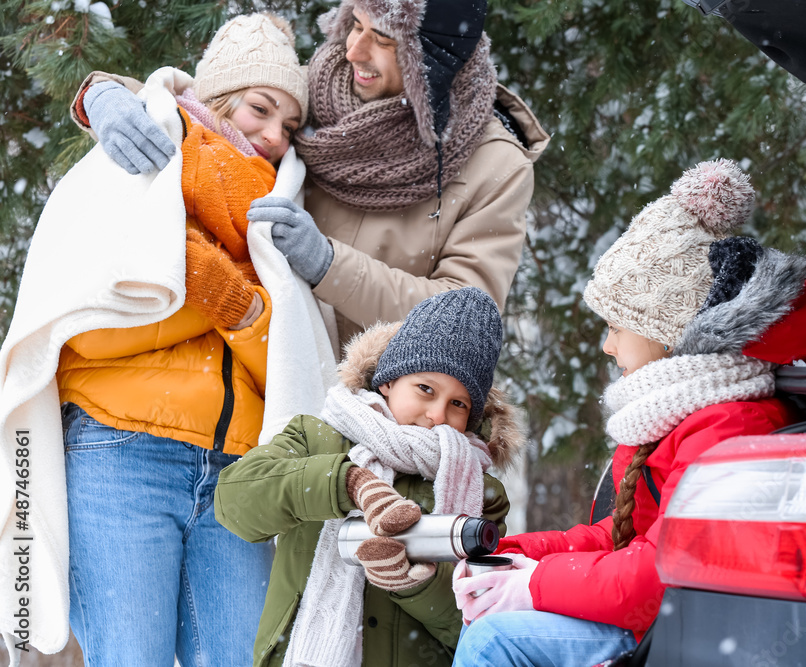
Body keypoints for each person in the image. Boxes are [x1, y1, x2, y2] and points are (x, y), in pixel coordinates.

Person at [448, 159, 806, 666]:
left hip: (690, 631)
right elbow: (622, 539)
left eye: (617, 326)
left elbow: (657, 573)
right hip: (665, 620)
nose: (607, 345)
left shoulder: (729, 428)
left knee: (495, 639)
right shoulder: (686, 412)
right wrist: (519, 556)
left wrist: (534, 586)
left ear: (666, 329)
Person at [54, 14, 310, 665]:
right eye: (261, 107)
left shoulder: (281, 210)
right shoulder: (143, 151)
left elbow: (286, 361)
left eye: (291, 123)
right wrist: (204, 296)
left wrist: (236, 303)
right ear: (220, 96)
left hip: (235, 471)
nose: (275, 135)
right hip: (121, 449)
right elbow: (81, 332)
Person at [72, 0, 550, 348]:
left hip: (375, 421)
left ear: (433, 61)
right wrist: (110, 96)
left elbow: (464, 317)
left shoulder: (494, 164)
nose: (353, 51)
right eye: (355, 25)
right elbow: (213, 110)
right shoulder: (316, 94)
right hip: (262, 382)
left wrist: (328, 264)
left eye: (382, 39)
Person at [213, 286, 524, 667]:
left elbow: (478, 624)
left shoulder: (482, 492)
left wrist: (415, 583)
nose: (438, 415)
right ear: (389, 380)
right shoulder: (317, 438)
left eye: (458, 404)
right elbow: (234, 504)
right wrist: (344, 483)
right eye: (426, 389)